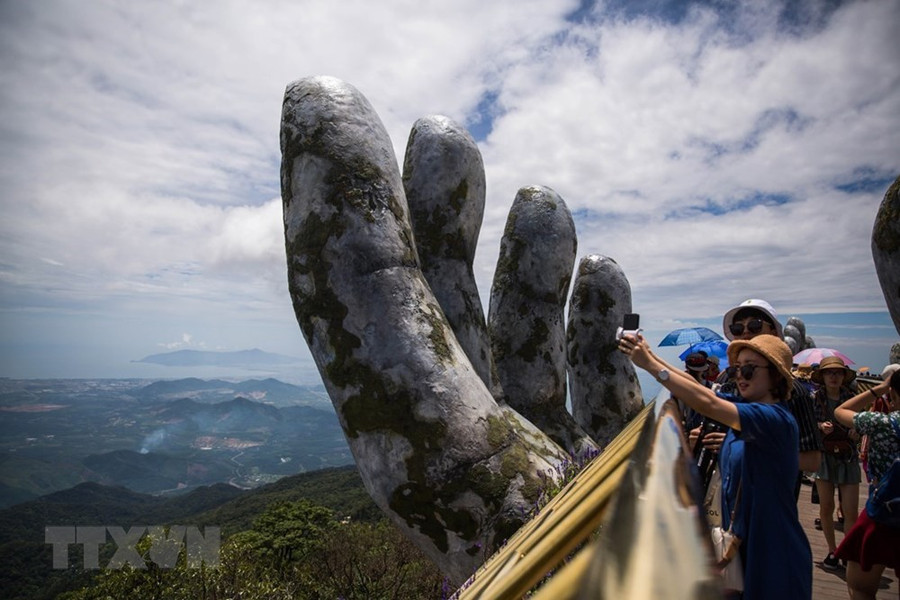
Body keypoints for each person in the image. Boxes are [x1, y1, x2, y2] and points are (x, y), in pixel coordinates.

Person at [619, 332, 812, 599]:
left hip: (773, 553)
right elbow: (700, 389)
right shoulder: (747, 409)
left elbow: (707, 403)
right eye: (735, 369)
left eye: (749, 369)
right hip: (742, 545)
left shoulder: (774, 419)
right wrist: (649, 355)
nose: (740, 376)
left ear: (776, 375)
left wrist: (650, 366)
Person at [718, 299, 823, 479]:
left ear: (774, 332)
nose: (745, 332)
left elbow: (811, 460)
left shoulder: (793, 391)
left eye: (755, 326)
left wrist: (738, 447)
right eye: (737, 328)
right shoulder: (728, 379)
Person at [833, 370, 900, 599]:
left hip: (883, 515)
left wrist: (879, 389)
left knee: (861, 588)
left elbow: (840, 411)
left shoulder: (883, 423)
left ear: (893, 393)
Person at [811, 356, 861, 570]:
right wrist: (820, 426)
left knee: (851, 511)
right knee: (827, 506)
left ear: (844, 376)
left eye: (838, 372)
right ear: (822, 376)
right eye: (829, 372)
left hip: (848, 457)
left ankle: (846, 551)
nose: (834, 376)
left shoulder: (852, 398)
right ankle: (832, 550)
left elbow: (862, 423)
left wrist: (857, 431)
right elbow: (807, 425)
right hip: (824, 456)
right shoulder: (815, 398)